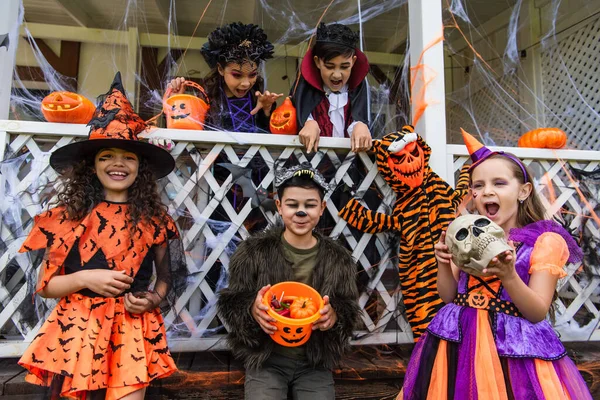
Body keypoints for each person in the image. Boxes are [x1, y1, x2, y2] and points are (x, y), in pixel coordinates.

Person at [17, 72, 187, 400]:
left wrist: (152, 298)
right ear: (92, 165)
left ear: (141, 166)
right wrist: (87, 277)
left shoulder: (155, 220)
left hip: (132, 328)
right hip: (77, 329)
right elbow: (46, 285)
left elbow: (167, 277)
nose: (117, 163)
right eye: (106, 156)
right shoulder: (68, 217)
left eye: (128, 156)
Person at [397, 129, 592, 399]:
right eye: (478, 185)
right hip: (459, 340)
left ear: (523, 191)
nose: (486, 191)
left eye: (499, 183)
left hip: (513, 350)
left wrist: (509, 276)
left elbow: (536, 312)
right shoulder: (463, 232)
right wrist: (443, 263)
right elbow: (448, 296)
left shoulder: (544, 242)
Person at [217, 162, 360, 400]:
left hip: (314, 361)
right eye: (293, 205)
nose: (301, 212)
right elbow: (231, 301)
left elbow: (349, 308)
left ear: (322, 208)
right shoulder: (253, 252)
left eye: (310, 205)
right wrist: (251, 308)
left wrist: (335, 315)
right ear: (280, 207)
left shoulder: (339, 259)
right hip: (267, 358)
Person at [168, 22, 282, 133]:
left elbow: (270, 135)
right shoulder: (206, 100)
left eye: (252, 75)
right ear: (220, 69)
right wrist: (176, 103)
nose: (246, 83)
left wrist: (266, 112)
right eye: (237, 75)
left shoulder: (259, 99)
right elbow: (185, 131)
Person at [292, 22, 372, 153]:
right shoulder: (305, 88)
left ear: (354, 61)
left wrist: (360, 125)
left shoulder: (358, 88)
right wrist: (308, 123)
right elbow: (300, 113)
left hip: (348, 167)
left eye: (344, 67)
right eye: (329, 66)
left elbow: (359, 117)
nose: (336, 74)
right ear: (317, 62)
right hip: (312, 165)